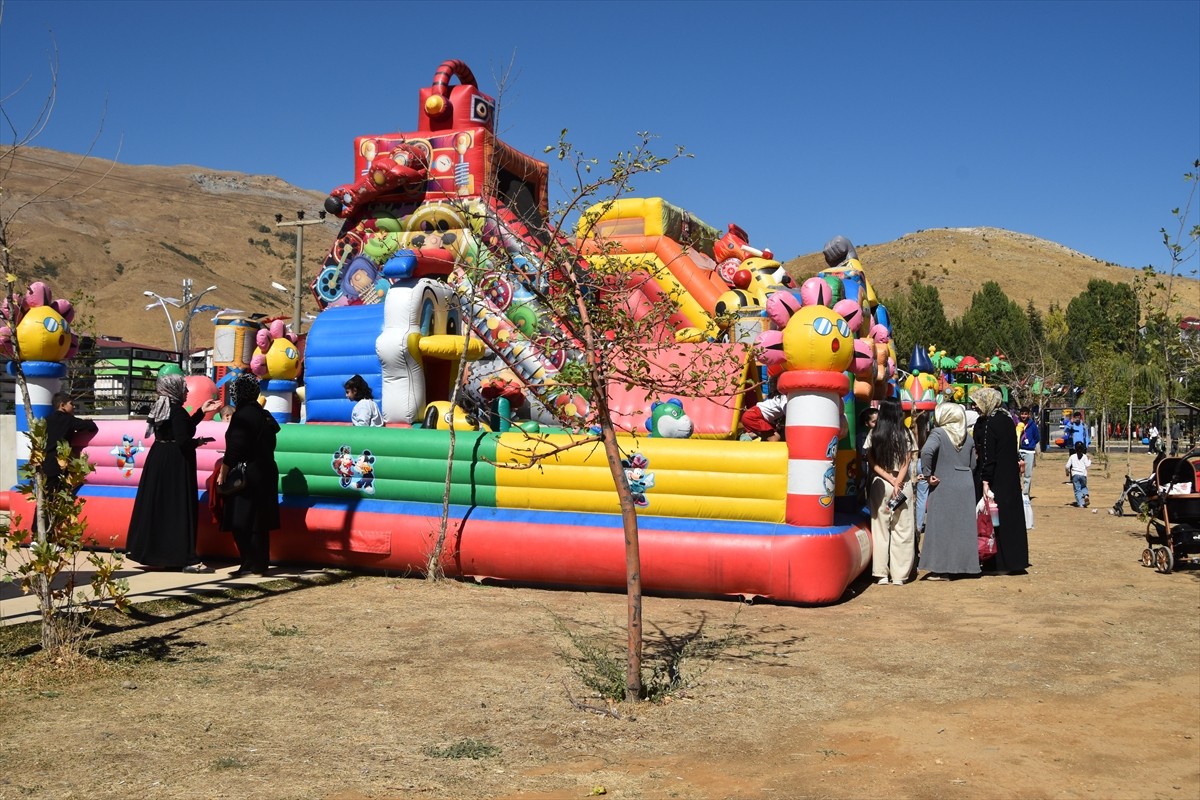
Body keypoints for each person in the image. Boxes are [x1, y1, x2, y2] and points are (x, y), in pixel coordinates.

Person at [126, 374, 221, 573]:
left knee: (162, 508)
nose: (186, 391)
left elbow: (180, 429)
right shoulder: (176, 410)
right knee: (178, 508)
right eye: (183, 388)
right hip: (175, 463)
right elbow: (183, 440)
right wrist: (199, 442)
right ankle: (184, 557)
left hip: (160, 459)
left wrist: (200, 412)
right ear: (174, 389)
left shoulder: (163, 407)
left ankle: (160, 554)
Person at [218, 373, 281, 577]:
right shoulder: (265, 415)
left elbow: (236, 447)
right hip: (266, 471)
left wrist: (223, 471)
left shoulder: (242, 416)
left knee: (240, 520)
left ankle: (247, 561)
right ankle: (260, 564)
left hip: (246, 476)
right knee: (259, 522)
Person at [917, 402, 979, 580]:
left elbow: (926, 452)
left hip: (943, 483)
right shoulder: (967, 436)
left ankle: (941, 568)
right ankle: (964, 566)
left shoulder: (938, 433)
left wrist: (928, 474)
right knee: (963, 528)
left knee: (941, 527)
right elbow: (973, 463)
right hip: (965, 483)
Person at [971, 388, 1029, 575]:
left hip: (996, 479)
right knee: (1012, 518)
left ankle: (997, 563)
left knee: (995, 521)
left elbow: (989, 456)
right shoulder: (1008, 421)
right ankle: (1016, 560)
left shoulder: (990, 424)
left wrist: (985, 481)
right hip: (1010, 477)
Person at [865, 399, 916, 585]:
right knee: (902, 529)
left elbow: (871, 461)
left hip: (880, 484)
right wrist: (897, 482)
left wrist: (889, 479)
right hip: (902, 486)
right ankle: (899, 575)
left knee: (880, 529)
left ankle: (881, 574)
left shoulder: (874, 433)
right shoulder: (906, 433)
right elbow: (906, 460)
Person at [42, 392, 98, 494]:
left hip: (44, 464)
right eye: (71, 404)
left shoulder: (46, 420)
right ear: (62, 406)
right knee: (58, 497)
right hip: (58, 466)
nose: (74, 407)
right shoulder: (68, 420)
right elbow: (91, 427)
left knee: (45, 496)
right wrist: (89, 421)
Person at [1017, 406, 1039, 497]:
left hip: (1029, 452)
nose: (1023, 416)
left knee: (1027, 474)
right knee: (1017, 473)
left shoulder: (1033, 425)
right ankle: (1017, 493)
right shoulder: (1017, 424)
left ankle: (1025, 494)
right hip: (1018, 451)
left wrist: (1031, 444)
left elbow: (1037, 437)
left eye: (1025, 414)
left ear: (1029, 414)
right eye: (1022, 413)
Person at [1065, 442, 1091, 508]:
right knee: (1083, 487)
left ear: (1075, 449)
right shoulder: (1084, 456)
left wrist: (1067, 472)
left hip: (1075, 475)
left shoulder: (1072, 456)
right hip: (1083, 475)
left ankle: (1081, 503)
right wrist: (1090, 460)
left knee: (1077, 490)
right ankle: (1086, 496)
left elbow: (1067, 466)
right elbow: (1087, 465)